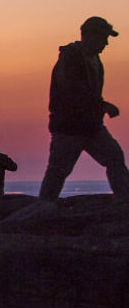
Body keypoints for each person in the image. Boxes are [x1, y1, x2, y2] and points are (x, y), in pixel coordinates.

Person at [39, 17, 129, 202]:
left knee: (114, 157)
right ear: (89, 36)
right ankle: (42, 209)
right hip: (69, 128)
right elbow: (73, 89)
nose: (106, 42)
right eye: (103, 37)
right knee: (58, 170)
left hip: (92, 127)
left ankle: (124, 202)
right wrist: (102, 105)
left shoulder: (95, 60)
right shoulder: (71, 57)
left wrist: (99, 109)